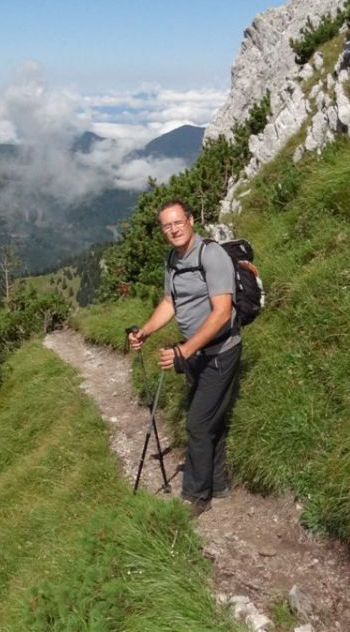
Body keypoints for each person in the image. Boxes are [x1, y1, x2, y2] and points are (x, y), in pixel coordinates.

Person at [127, 199, 242, 515]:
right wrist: (146, 331)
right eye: (166, 225)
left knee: (196, 423)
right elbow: (170, 302)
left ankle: (195, 496)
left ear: (191, 221)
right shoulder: (172, 259)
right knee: (208, 420)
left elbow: (222, 314)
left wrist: (183, 351)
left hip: (220, 352)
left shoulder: (212, 256)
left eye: (178, 222)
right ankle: (217, 484)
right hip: (195, 352)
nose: (173, 229)